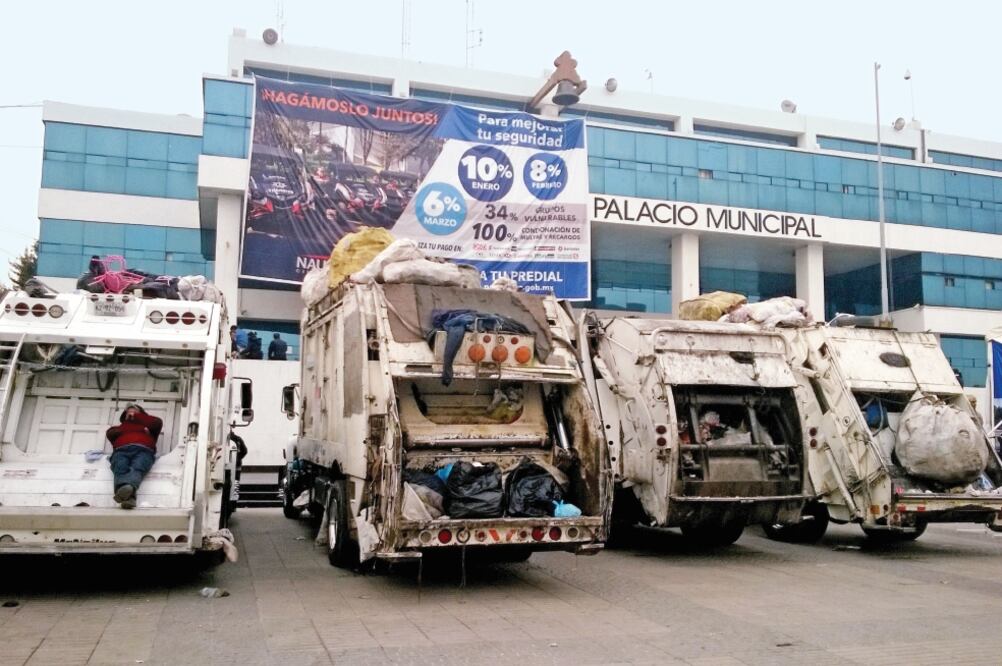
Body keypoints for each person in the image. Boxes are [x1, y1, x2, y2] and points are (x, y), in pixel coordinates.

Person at [106, 404, 163, 510]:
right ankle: (129, 497)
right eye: (128, 412)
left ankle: (124, 493)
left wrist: (138, 418)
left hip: (144, 450)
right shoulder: (120, 427)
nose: (131, 413)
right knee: (119, 467)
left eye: (135, 411)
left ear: (142, 414)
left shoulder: (150, 426)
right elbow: (110, 433)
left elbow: (157, 422)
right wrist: (127, 426)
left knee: (138, 467)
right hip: (121, 450)